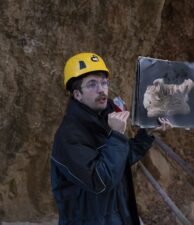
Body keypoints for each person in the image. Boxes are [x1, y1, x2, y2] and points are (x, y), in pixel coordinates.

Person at [51, 52, 172, 225]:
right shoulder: (68, 137)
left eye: (103, 82)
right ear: (77, 94)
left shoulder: (105, 117)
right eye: (92, 84)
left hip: (118, 213)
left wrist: (147, 134)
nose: (101, 89)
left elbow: (119, 161)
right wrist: (116, 136)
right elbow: (99, 181)